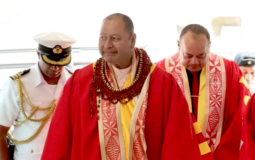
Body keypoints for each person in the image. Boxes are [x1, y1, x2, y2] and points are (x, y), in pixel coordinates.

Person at [41, 13, 204, 160]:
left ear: (132, 40)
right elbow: (59, 141)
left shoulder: (162, 83)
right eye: (103, 37)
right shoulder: (80, 82)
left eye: (115, 38)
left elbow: (178, 144)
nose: (107, 45)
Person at [156, 24, 250, 159]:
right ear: (178, 45)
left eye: (201, 56)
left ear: (209, 46)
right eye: (188, 55)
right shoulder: (161, 71)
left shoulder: (228, 70)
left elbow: (240, 116)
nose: (194, 62)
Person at [0, 32, 76, 160]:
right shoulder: (18, 84)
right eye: (50, 62)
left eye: (60, 63)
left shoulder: (74, 83)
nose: (55, 68)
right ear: (38, 54)